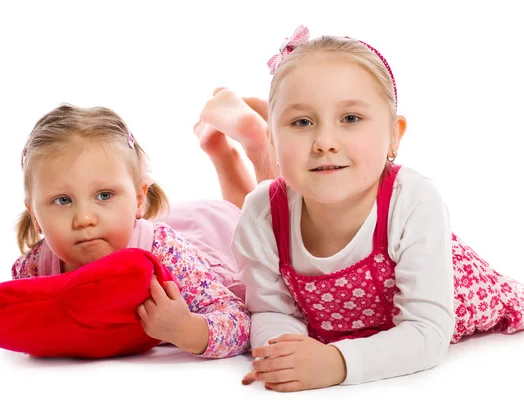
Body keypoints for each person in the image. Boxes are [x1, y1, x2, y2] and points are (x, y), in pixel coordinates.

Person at [195, 25, 524, 392]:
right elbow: (272, 310)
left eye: (350, 119)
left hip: (455, 303)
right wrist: (281, 355)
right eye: (301, 122)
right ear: (272, 141)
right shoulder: (260, 214)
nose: (325, 142)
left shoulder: (412, 200)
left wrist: (337, 363)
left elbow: (427, 331)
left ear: (394, 135)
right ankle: (236, 139)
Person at [11, 104, 250, 359]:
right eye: (62, 200)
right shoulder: (33, 269)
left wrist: (188, 330)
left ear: (139, 199)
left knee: (253, 212)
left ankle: (233, 153)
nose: (84, 219)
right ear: (35, 215)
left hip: (214, 232)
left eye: (104, 195)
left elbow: (240, 323)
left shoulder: (168, 255)